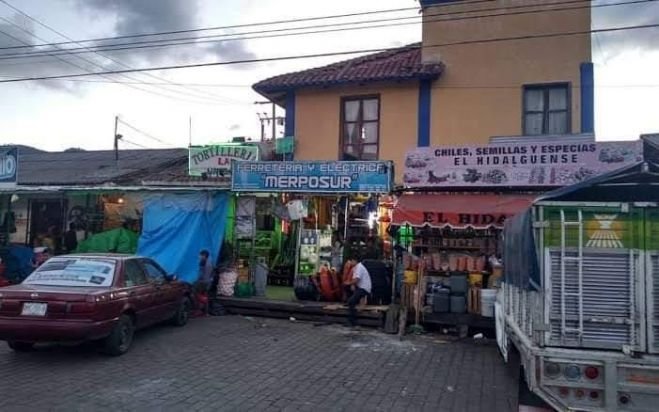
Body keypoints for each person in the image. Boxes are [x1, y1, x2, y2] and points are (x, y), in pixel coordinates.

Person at [343, 255, 372, 327]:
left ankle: (352, 321)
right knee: (347, 288)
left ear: (355, 261)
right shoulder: (355, 268)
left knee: (351, 301)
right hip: (360, 287)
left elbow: (357, 279)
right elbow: (354, 280)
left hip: (364, 288)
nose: (350, 263)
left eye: (351, 261)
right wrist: (351, 284)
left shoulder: (359, 267)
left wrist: (349, 283)